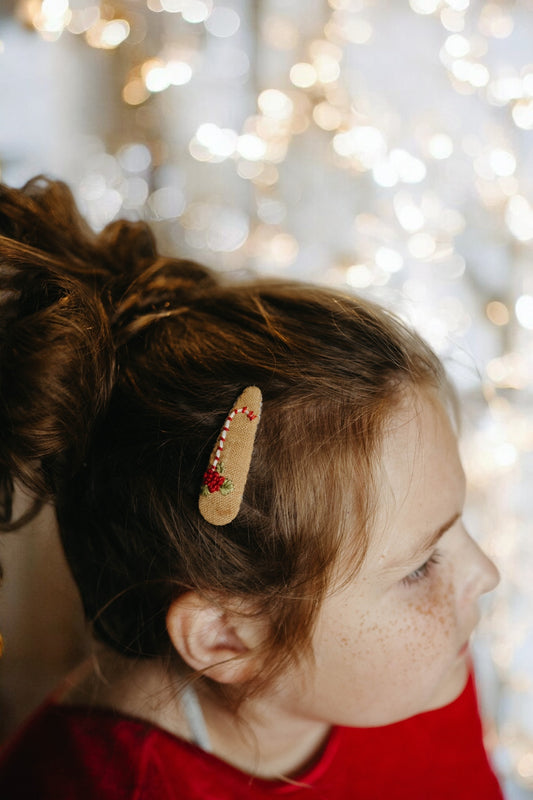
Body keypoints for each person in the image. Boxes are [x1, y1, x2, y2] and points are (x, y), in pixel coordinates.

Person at [0, 177, 503, 799]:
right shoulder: (94, 786)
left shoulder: (422, 672)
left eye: (456, 531)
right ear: (228, 636)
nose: (484, 573)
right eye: (423, 564)